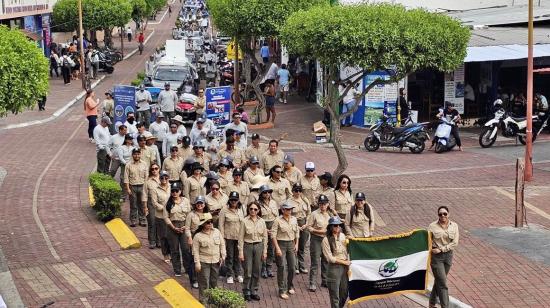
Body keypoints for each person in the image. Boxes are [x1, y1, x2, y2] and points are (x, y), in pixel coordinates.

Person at [164, 182, 196, 287]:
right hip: (172, 226)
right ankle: (177, 269)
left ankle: (187, 268)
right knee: (174, 249)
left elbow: (189, 214)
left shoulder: (185, 201)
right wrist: (173, 228)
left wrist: (185, 226)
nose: (174, 193)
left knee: (186, 249)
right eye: (172, 191)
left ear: (180, 191)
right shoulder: (168, 203)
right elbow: (166, 217)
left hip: (184, 225)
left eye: (176, 191)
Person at [428, 206, 459, 308]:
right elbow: (427, 241)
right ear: (438, 215)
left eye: (445, 213)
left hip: (448, 256)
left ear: (448, 214)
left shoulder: (454, 226)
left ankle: (431, 303)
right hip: (436, 258)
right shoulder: (432, 226)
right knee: (443, 284)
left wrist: (442, 249)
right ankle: (445, 306)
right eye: (440, 214)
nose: (443, 216)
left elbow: (455, 243)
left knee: (439, 280)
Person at [192, 212, 226, 304]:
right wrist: (197, 263)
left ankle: (213, 300)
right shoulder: (197, 236)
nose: (210, 224)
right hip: (204, 262)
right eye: (208, 222)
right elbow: (195, 251)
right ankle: (204, 301)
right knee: (204, 283)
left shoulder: (217, 232)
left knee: (214, 282)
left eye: (211, 221)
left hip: (216, 261)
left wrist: (223, 256)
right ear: (203, 224)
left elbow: (222, 244)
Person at [238, 201, 268, 301]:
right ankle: (246, 291)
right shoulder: (244, 221)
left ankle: (254, 290)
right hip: (248, 246)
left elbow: (265, 237)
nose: (253, 211)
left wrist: (265, 251)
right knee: (248, 271)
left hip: (259, 246)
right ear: (248, 210)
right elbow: (241, 238)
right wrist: (241, 252)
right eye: (251, 209)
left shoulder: (262, 221)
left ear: (258, 210)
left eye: (255, 209)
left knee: (257, 270)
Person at [272, 202, 299, 300]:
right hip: (281, 244)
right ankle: (282, 290)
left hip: (291, 244)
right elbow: (273, 235)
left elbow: (297, 232)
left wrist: (296, 244)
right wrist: (277, 248)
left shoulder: (294, 219)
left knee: (292, 267)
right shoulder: (277, 220)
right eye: (287, 209)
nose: (289, 211)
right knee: (282, 267)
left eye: (291, 209)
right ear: (283, 210)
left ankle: (290, 285)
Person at [307, 194, 334, 291]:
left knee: (326, 260)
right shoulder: (314, 214)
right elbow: (309, 227)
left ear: (328, 204)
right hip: (316, 239)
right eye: (321, 204)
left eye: (324, 204)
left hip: (326, 239)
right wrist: (318, 231)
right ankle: (312, 283)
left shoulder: (330, 214)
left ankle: (325, 280)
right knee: (315, 261)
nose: (322, 205)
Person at [323, 216, 350, 308]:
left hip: (345, 268)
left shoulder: (342, 236)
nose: (337, 227)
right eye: (335, 225)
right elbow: (330, 258)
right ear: (330, 227)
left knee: (344, 292)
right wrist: (344, 262)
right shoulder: (326, 240)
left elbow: (347, 250)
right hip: (334, 269)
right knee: (335, 295)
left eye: (338, 225)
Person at [219, 191, 244, 284]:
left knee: (238, 256)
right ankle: (229, 275)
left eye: (235, 200)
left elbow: (243, 223)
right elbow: (221, 225)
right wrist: (222, 238)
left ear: (238, 200)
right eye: (232, 200)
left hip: (239, 237)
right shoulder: (224, 210)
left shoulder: (242, 209)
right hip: (228, 237)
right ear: (229, 200)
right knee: (229, 256)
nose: (234, 202)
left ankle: (238, 274)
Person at [287, 183, 310, 274]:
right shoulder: (289, 201)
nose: (298, 192)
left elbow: (309, 213)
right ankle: (295, 265)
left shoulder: (305, 200)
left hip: (304, 224)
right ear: (292, 191)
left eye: (300, 190)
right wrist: (296, 226)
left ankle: (302, 265)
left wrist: (306, 224)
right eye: (296, 190)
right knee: (294, 245)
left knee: (302, 246)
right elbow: (288, 215)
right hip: (294, 223)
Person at [124, 148, 149, 227]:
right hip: (132, 187)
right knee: (133, 204)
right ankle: (133, 220)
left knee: (142, 204)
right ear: (132, 155)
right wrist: (127, 189)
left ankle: (142, 219)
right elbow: (126, 178)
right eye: (135, 154)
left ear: (140, 154)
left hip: (142, 186)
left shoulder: (144, 164)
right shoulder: (128, 165)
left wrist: (146, 188)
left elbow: (146, 177)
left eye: (138, 154)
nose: (137, 155)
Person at [258, 184, 278, 278]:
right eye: (265, 192)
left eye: (269, 192)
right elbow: (257, 218)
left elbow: (277, 217)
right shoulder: (258, 204)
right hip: (263, 226)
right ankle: (263, 267)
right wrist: (265, 229)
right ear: (261, 194)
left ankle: (269, 267)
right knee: (263, 248)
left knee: (271, 248)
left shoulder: (273, 202)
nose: (267, 194)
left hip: (273, 226)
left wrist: (274, 229)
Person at [151, 171, 172, 262]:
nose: (164, 179)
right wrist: (165, 208)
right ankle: (165, 254)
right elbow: (154, 203)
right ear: (159, 179)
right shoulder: (155, 189)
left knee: (171, 236)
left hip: (172, 215)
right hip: (161, 216)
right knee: (163, 236)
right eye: (162, 178)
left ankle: (172, 253)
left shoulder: (172, 187)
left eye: (166, 177)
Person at [143, 164, 161, 248]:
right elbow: (145, 195)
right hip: (151, 203)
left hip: (161, 203)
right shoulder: (148, 181)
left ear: (159, 169)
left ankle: (159, 241)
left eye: (156, 168)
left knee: (160, 222)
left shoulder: (164, 179)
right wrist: (145, 207)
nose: (154, 170)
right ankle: (152, 241)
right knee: (152, 222)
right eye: (152, 169)